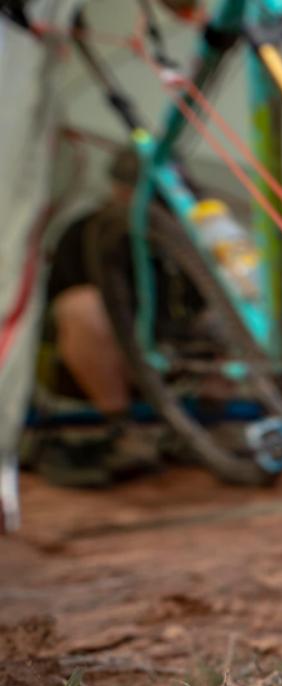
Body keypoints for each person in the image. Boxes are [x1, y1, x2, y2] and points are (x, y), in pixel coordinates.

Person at [32, 147, 159, 485]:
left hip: (165, 358)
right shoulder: (86, 231)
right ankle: (123, 428)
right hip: (102, 359)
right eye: (130, 187)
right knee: (82, 307)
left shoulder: (182, 235)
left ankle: (217, 421)